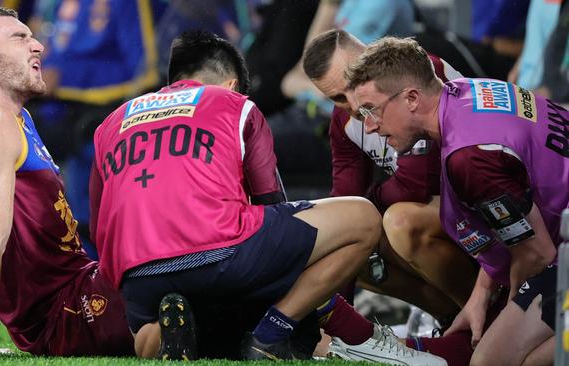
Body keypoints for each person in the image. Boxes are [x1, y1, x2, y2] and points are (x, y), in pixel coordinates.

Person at [90, 30, 446, 365]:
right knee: (362, 218)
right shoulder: (234, 104)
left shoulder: (111, 121)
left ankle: (161, 335)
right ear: (233, 85)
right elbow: (272, 202)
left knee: (162, 323)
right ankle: (270, 335)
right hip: (219, 253)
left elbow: (99, 221)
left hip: (136, 275)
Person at [346, 36, 567, 365]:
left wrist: (504, 318)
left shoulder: (470, 157)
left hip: (558, 253)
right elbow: (516, 219)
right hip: (559, 240)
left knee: (491, 360)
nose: (369, 126)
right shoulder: (467, 91)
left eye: (371, 110)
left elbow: (536, 254)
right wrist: (480, 294)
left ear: (411, 98)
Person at [0, 7, 133, 358]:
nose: (38, 47)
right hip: (72, 314)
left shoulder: (15, 120)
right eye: (20, 38)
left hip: (81, 292)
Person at [300, 29, 477, 324]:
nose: (352, 104)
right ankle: (448, 317)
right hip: (449, 214)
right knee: (344, 240)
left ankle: (485, 315)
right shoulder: (343, 123)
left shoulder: (418, 75)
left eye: (352, 84)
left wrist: (364, 209)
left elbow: (418, 183)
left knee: (400, 222)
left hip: (483, 202)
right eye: (337, 97)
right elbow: (345, 202)